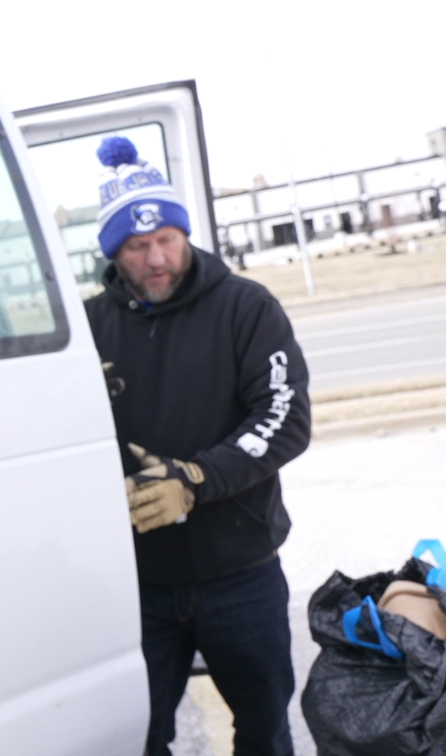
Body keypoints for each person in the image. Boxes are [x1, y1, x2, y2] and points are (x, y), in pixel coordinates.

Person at [84, 136, 312, 756]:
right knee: (137, 736)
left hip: (240, 572)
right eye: (137, 246)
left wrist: (195, 478)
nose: (156, 258)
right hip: (140, 583)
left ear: (185, 234)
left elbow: (284, 418)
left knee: (264, 732)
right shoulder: (87, 330)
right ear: (113, 252)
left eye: (167, 240)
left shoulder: (245, 307)